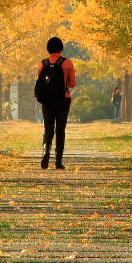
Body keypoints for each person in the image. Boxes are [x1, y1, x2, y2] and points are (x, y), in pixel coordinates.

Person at [36, 36, 76, 170]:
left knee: (48, 128)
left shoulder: (43, 64)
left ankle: (46, 150)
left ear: (48, 49)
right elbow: (72, 84)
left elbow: (40, 83)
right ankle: (58, 161)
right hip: (63, 99)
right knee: (60, 129)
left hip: (47, 100)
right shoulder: (67, 62)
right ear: (61, 48)